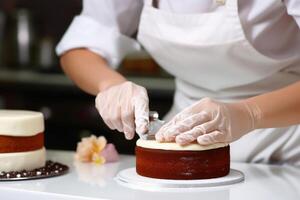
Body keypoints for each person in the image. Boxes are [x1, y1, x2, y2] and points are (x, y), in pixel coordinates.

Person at [56, 0, 300, 165]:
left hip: (289, 144)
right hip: (184, 143)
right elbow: (81, 45)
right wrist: (109, 85)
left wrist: (249, 113)